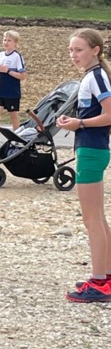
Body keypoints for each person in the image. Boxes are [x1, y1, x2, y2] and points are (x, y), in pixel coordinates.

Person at [57, 29, 111, 303]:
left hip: (91, 150)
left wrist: (79, 123)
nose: (73, 55)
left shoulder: (96, 77)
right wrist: (76, 121)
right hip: (93, 148)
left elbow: (110, 113)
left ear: (95, 50)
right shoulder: (94, 76)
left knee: (91, 219)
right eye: (71, 50)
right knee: (98, 217)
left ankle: (99, 282)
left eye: (78, 50)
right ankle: (106, 276)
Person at [0, 30, 26, 153]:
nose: (6, 42)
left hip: (12, 91)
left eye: (9, 40)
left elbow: (22, 76)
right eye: (4, 40)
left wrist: (8, 71)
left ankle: (17, 141)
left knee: (13, 116)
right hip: (1, 90)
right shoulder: (1, 55)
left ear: (15, 43)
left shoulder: (17, 56)